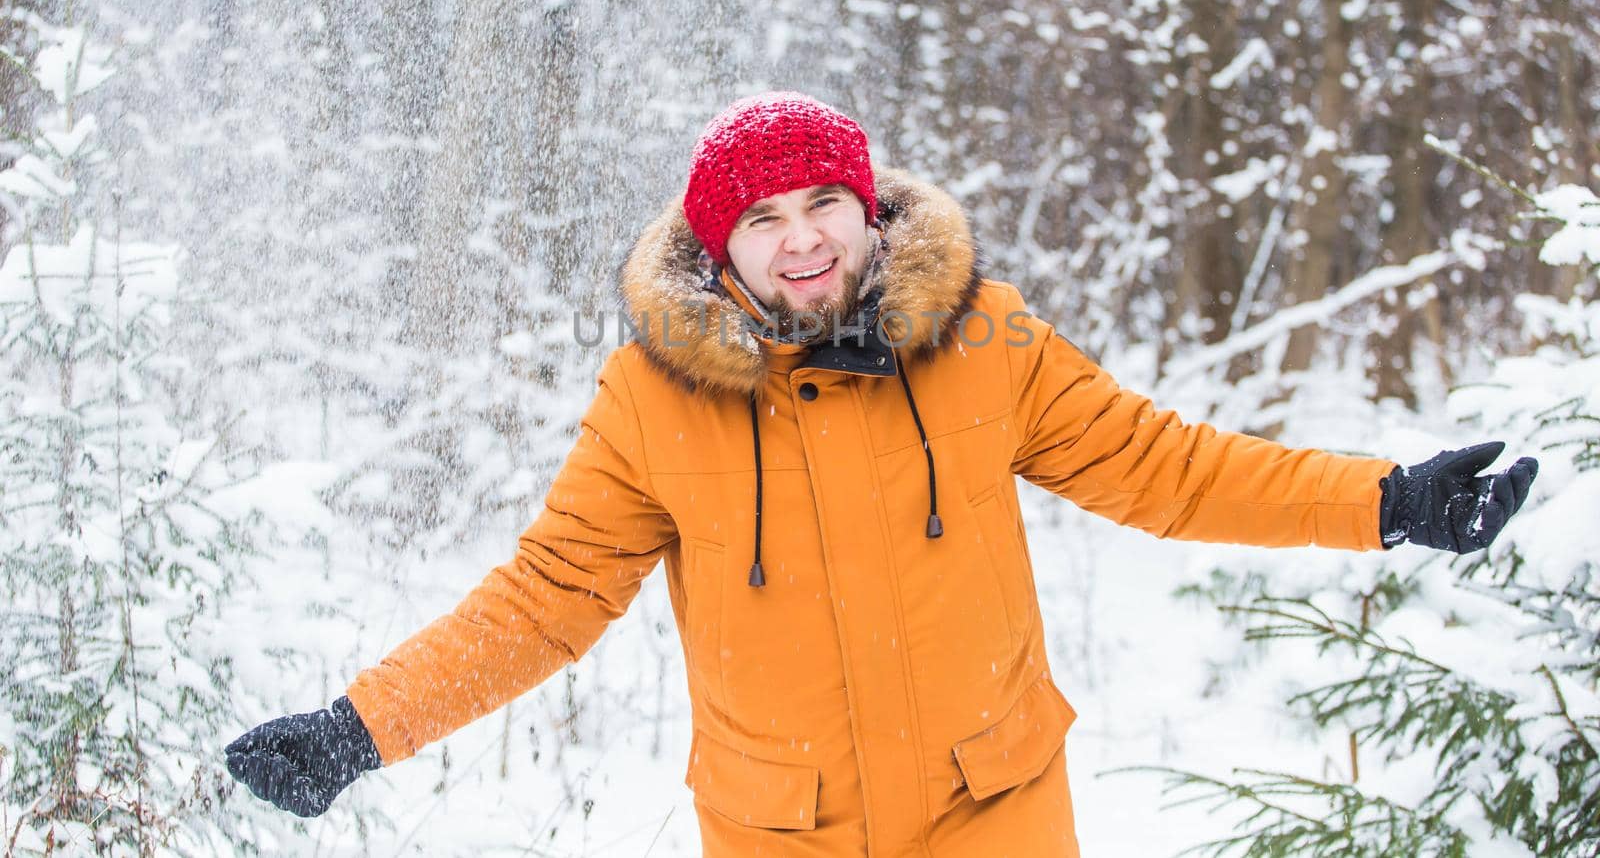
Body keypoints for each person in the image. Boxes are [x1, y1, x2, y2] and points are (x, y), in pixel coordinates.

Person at [225, 92, 1538, 855]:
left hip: (996, 809)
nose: (801, 243)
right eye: (762, 219)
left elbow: (1163, 467)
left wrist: (1387, 501)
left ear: (869, 210)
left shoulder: (988, 342)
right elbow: (548, 597)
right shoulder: (650, 398)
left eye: (822, 208)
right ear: (718, 247)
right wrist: (363, 728)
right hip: (784, 828)